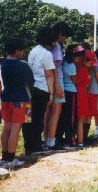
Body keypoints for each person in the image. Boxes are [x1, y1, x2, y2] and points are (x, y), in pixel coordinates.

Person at [1, 38, 34, 167]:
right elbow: (31, 82)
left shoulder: (3, 64)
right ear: (17, 51)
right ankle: (11, 158)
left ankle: (4, 157)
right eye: (22, 51)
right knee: (16, 129)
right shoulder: (22, 66)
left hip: (6, 98)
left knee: (7, 128)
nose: (23, 53)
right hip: (20, 99)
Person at [22, 27, 56, 155]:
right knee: (38, 119)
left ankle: (28, 146)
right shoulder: (47, 54)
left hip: (30, 88)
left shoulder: (33, 51)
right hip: (42, 88)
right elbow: (49, 75)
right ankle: (36, 146)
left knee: (28, 118)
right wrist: (51, 93)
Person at [43, 22, 73, 151]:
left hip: (50, 79)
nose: (65, 39)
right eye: (64, 36)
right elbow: (54, 67)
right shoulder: (56, 47)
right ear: (60, 34)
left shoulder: (49, 46)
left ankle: (46, 138)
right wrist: (57, 86)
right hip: (57, 79)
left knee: (49, 111)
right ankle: (51, 140)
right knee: (56, 110)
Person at [58, 45, 84, 147]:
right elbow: (75, 80)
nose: (80, 59)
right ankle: (71, 139)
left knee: (65, 116)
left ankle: (64, 138)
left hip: (64, 90)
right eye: (79, 57)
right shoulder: (72, 65)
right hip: (71, 91)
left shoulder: (64, 63)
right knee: (72, 117)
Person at [75, 50, 93, 148]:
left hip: (77, 92)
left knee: (78, 118)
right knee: (80, 119)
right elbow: (87, 84)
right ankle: (80, 141)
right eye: (90, 61)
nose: (91, 64)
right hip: (82, 94)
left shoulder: (77, 67)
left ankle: (78, 139)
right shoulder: (85, 70)